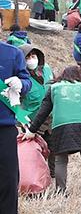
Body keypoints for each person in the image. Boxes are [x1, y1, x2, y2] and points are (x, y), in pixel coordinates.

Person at [24, 65, 81, 195]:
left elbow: (42, 112)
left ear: (62, 76)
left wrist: (32, 130)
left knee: (60, 159)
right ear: (80, 76)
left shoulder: (54, 88)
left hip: (60, 127)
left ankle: (61, 191)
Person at [0, 41, 32, 214]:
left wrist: (21, 85)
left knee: (8, 179)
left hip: (4, 126)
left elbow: (27, 81)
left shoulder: (12, 54)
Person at [18, 44, 55, 177]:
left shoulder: (47, 70)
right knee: (35, 153)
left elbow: (55, 87)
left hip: (51, 118)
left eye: (33, 56)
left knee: (53, 150)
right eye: (27, 57)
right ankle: (37, 179)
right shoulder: (20, 78)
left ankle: (52, 176)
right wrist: (23, 121)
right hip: (33, 122)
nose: (31, 59)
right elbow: (14, 103)